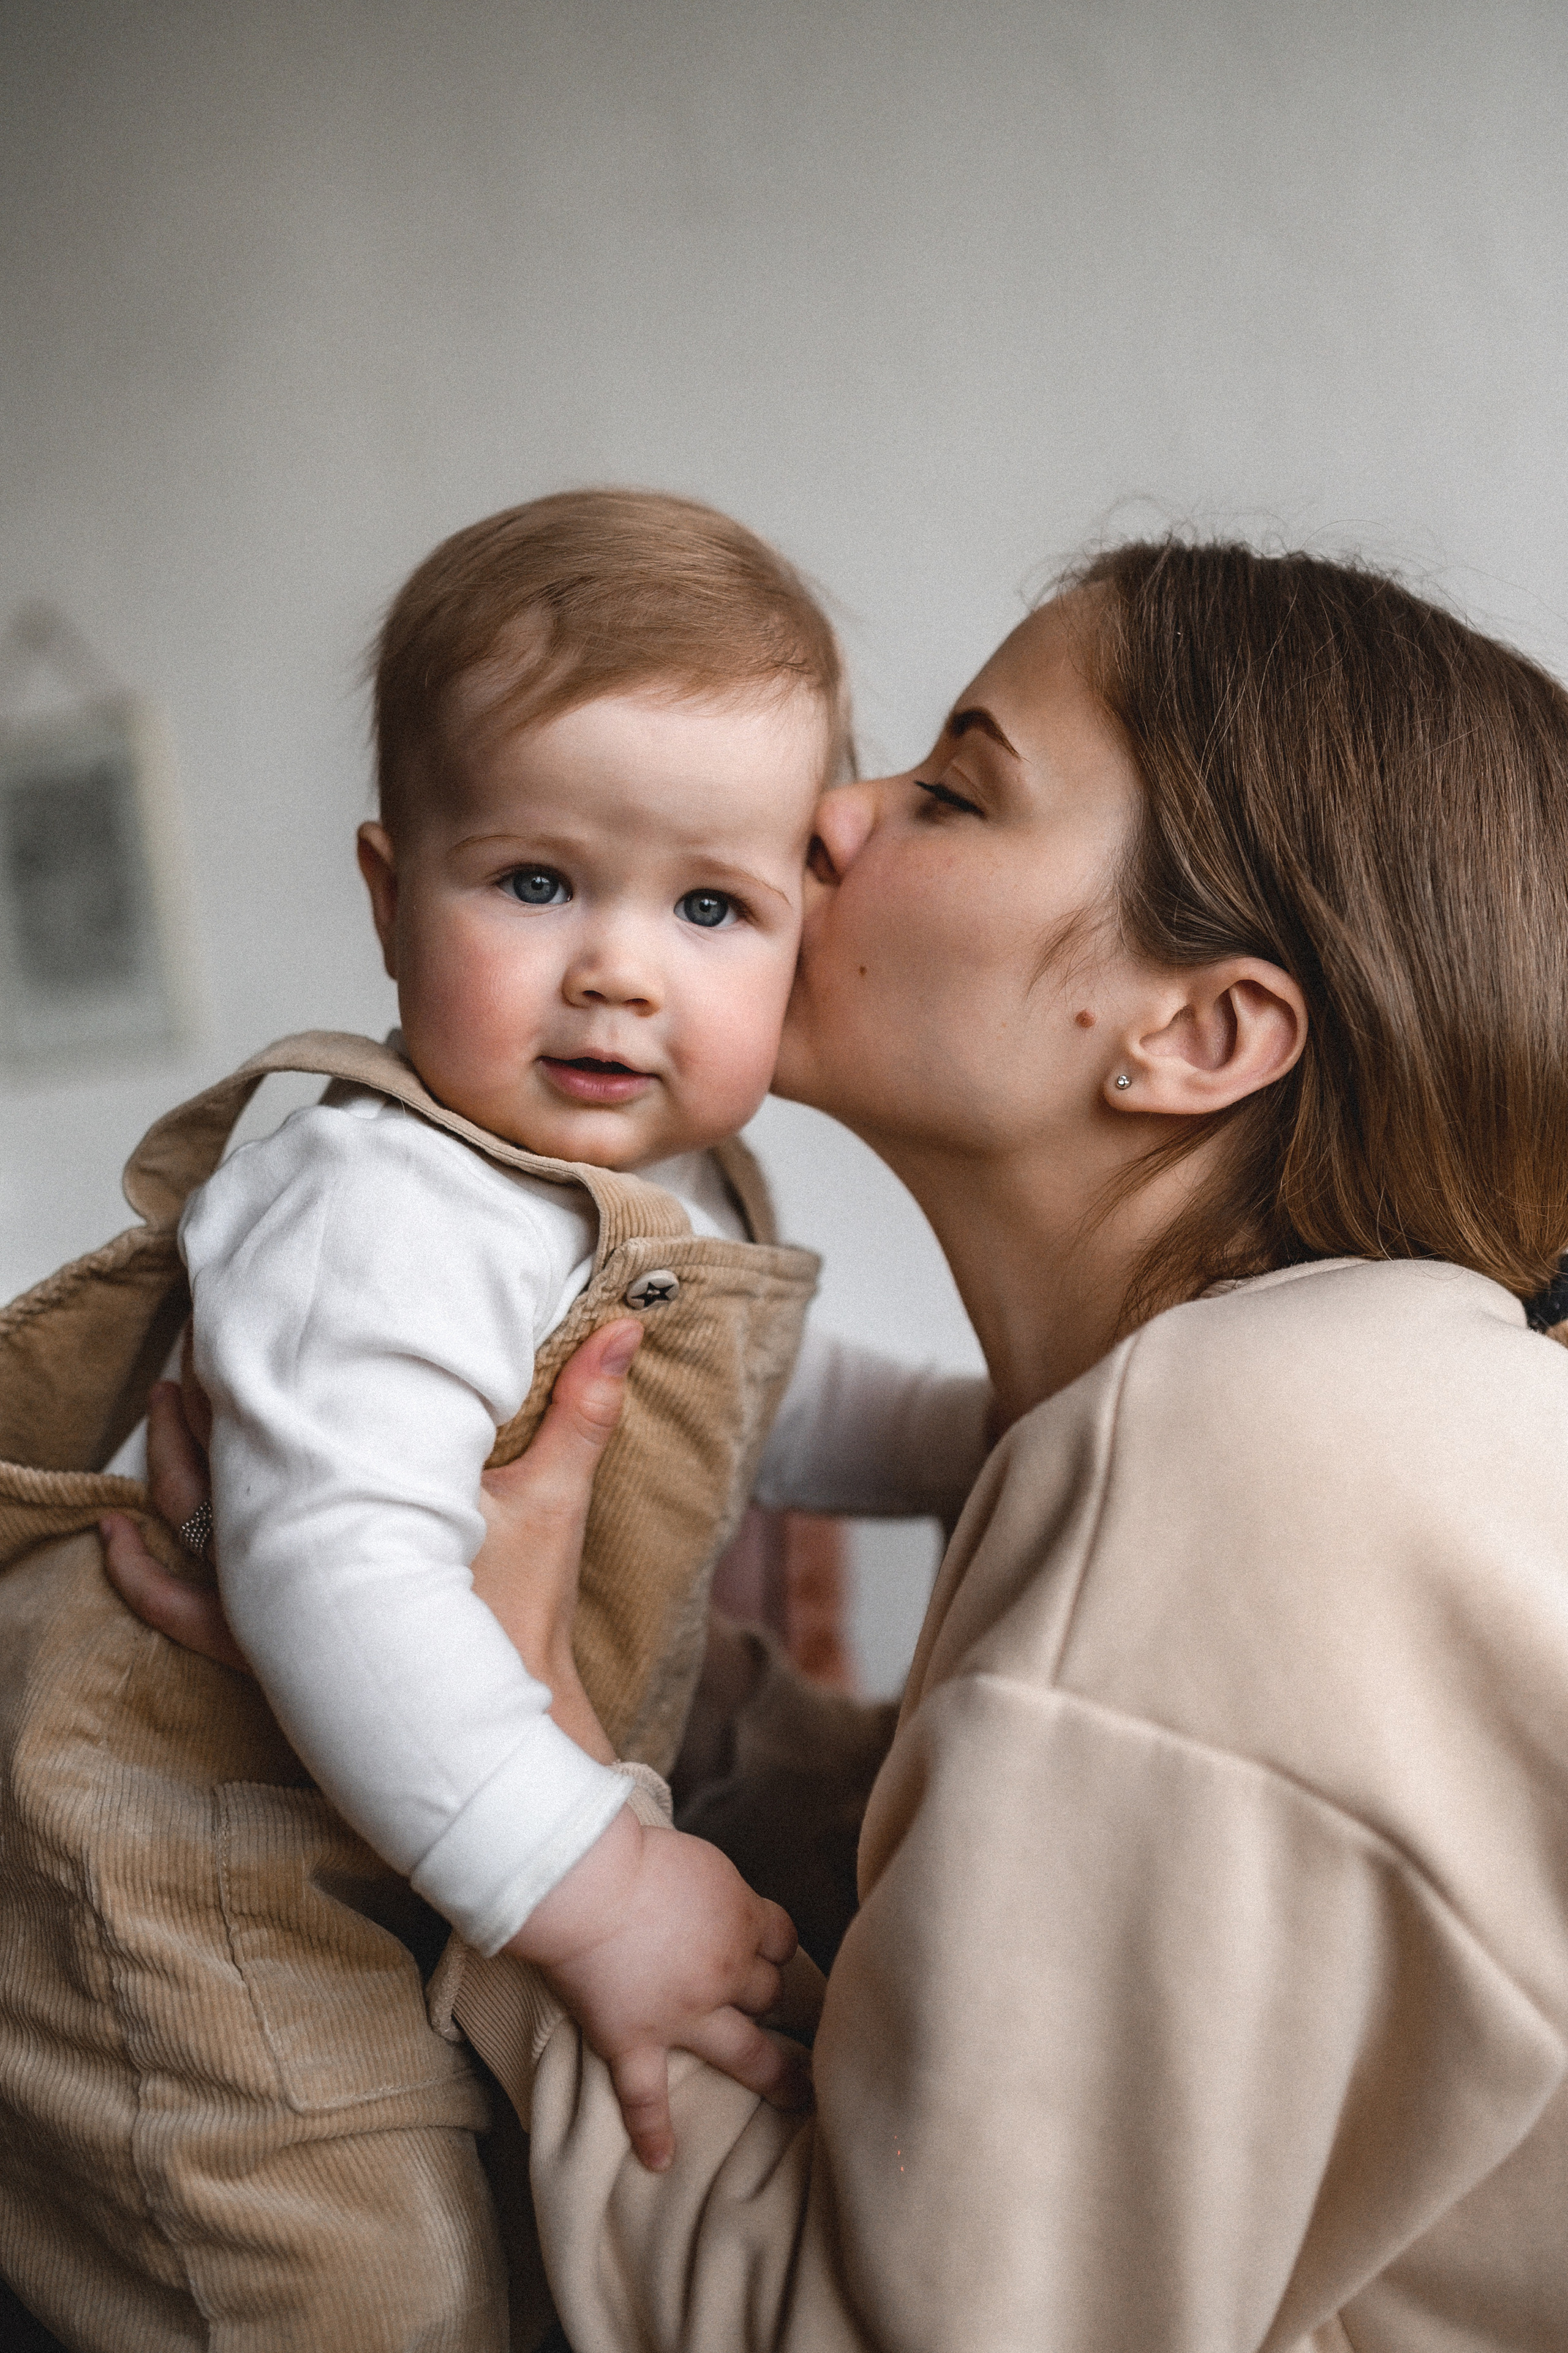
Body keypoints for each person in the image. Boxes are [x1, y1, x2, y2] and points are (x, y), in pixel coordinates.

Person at [123, 535, 1568, 2347]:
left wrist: (520, 1771)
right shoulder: (1340, 1401)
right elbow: (985, 1951)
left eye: (954, 792)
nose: (820, 818)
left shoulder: (1253, 1457)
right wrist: (613, 1676)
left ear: (1195, 1032)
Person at [0, 491, 990, 2352]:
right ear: (391, 895)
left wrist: (967, 1438)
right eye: (536, 883)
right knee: (361, 2282)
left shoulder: (662, 1190)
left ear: (802, 922)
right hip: (207, 1874)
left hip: (441, 1802)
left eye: (709, 905)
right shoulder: (386, 1202)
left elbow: (743, 1414)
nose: (617, 965)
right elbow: (338, 1571)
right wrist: (599, 1893)